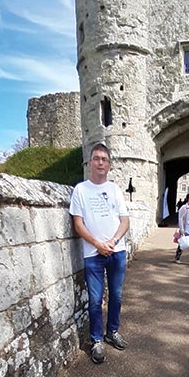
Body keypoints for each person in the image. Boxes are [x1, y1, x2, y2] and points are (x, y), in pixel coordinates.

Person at [69, 143, 130, 364]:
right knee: (95, 300)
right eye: (96, 158)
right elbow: (78, 224)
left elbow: (125, 221)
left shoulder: (114, 189)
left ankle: (112, 332)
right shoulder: (80, 190)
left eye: (104, 159)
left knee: (116, 296)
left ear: (109, 164)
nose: (100, 162)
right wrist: (97, 243)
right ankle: (96, 340)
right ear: (90, 162)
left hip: (117, 251)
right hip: (93, 253)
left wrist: (112, 241)